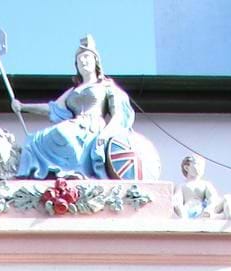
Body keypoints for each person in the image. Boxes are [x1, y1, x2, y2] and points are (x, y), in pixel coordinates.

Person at [11, 35, 137, 180]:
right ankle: (55, 173)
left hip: (92, 128)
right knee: (33, 141)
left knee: (64, 133)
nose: (83, 61)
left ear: (96, 60)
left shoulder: (106, 86)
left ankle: (78, 170)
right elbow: (52, 108)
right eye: (79, 59)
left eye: (87, 57)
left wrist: (106, 134)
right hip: (74, 124)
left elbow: (118, 115)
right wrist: (23, 106)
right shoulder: (73, 91)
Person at [172, 154, 231, 220]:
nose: (201, 168)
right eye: (198, 164)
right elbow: (177, 202)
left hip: (204, 212)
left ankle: (230, 216)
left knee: (228, 197)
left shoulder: (205, 184)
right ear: (186, 168)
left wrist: (209, 208)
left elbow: (213, 198)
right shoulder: (182, 185)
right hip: (189, 211)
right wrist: (183, 215)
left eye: (203, 166)